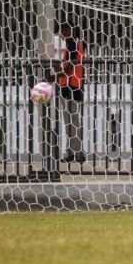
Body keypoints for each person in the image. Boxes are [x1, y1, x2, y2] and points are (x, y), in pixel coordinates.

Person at [57, 22, 86, 164]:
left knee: (71, 121)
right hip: (72, 85)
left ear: (68, 30)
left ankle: (76, 152)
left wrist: (56, 73)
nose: (61, 33)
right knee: (71, 121)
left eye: (63, 30)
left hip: (71, 86)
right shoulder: (73, 44)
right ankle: (72, 151)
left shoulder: (73, 44)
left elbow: (71, 65)